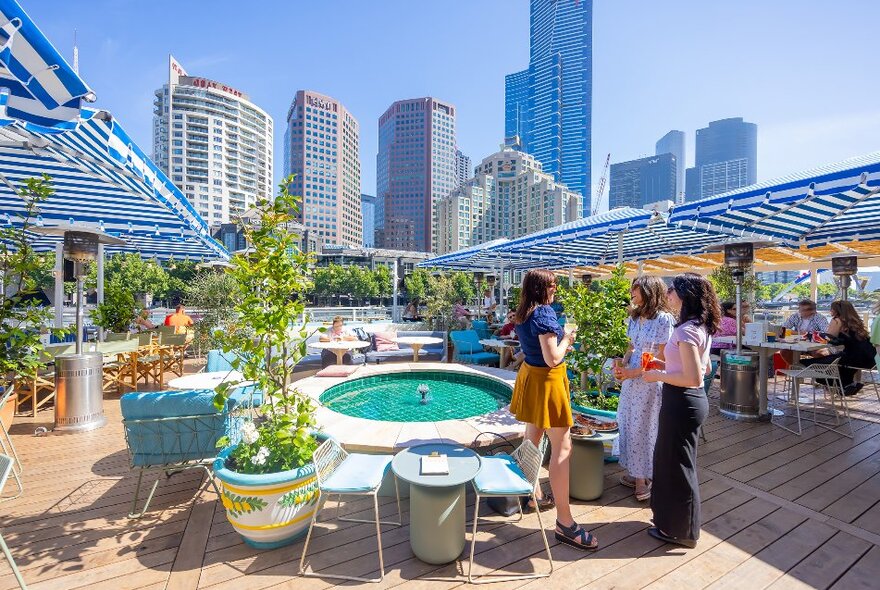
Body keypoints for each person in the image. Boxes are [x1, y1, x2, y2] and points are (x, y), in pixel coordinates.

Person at [510, 269, 598, 551]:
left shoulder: (523, 313)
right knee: (562, 448)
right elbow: (553, 358)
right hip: (547, 381)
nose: (556, 289)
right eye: (552, 285)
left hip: (531, 377)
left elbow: (534, 353)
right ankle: (565, 522)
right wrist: (568, 338)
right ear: (541, 288)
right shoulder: (544, 314)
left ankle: (532, 493)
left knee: (531, 439)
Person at [642, 273, 720, 548]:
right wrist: (664, 367)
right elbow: (705, 368)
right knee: (673, 464)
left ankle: (683, 531)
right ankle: (672, 524)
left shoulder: (685, 331)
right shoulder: (699, 327)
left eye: (673, 289)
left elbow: (694, 378)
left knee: (676, 467)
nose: (668, 293)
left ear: (685, 295)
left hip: (682, 401)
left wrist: (658, 376)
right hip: (688, 402)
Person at [612, 276, 675, 503]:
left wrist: (634, 371)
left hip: (650, 377)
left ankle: (643, 479)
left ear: (649, 292)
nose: (632, 294)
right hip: (632, 378)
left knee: (645, 427)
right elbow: (630, 346)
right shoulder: (635, 317)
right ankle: (637, 471)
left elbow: (662, 355)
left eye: (635, 291)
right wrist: (622, 363)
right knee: (628, 422)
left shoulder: (664, 319)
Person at [801, 300, 875, 395]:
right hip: (869, 359)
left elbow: (828, 338)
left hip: (851, 359)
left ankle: (843, 384)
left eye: (831, 309)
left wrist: (811, 336)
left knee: (803, 363)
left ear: (836, 310)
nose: (830, 311)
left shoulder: (837, 320)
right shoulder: (855, 322)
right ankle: (846, 384)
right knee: (830, 359)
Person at [780, 300, 829, 365]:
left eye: (802, 310)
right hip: (797, 343)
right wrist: (801, 333)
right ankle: (796, 368)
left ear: (812, 311)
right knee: (784, 351)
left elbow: (826, 332)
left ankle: (812, 370)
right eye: (799, 308)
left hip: (813, 345)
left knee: (820, 354)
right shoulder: (795, 316)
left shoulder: (820, 318)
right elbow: (783, 329)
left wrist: (808, 334)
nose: (799, 311)